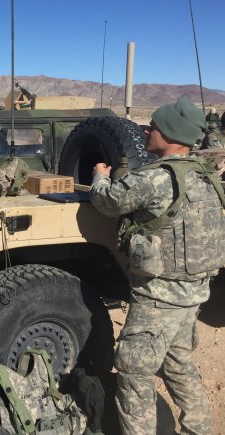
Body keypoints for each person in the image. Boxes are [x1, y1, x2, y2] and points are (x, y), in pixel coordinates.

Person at [89, 97, 225, 434]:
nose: (147, 130)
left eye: (154, 127)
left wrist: (100, 177)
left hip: (159, 296)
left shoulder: (156, 179)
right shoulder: (206, 174)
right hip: (193, 292)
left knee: (134, 371)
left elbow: (108, 202)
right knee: (178, 364)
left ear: (171, 134)